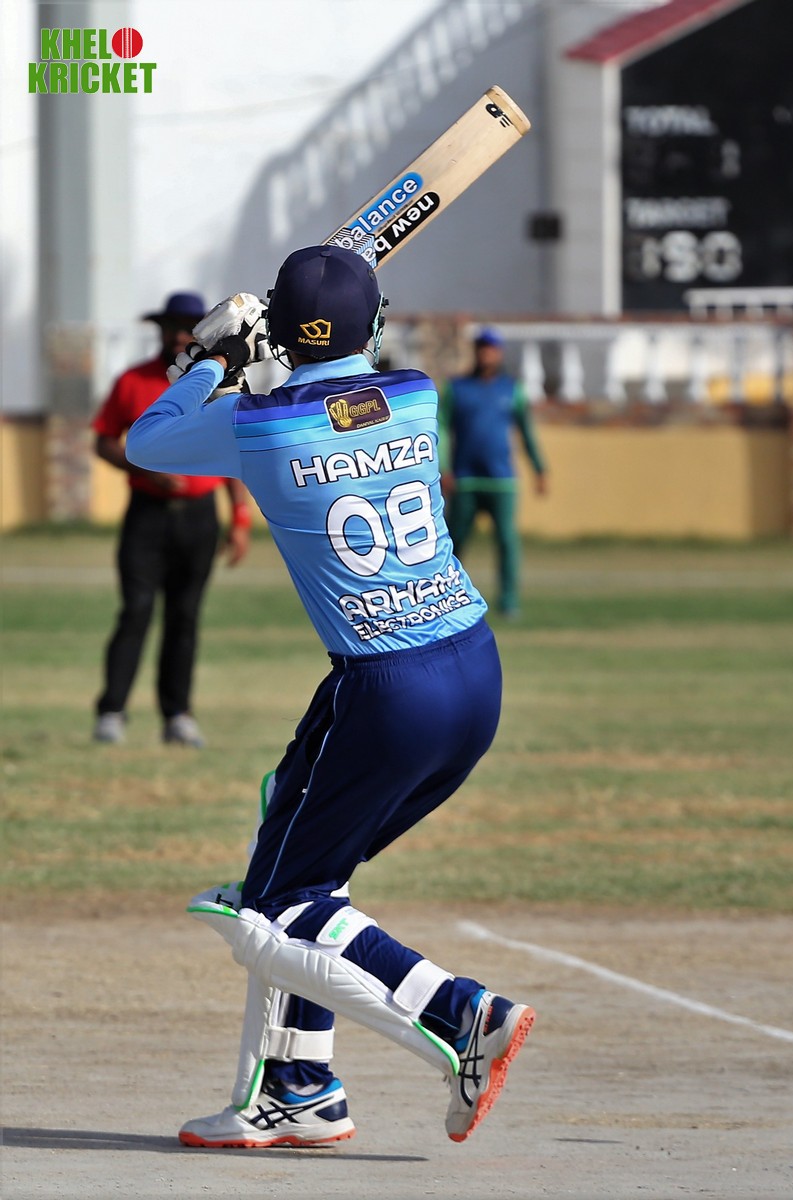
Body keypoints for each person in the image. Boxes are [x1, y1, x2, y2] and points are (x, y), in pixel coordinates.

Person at [125, 246, 534, 1149]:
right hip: (470, 667)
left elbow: (146, 442)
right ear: (375, 326)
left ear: (281, 332)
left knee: (275, 910)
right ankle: (298, 1088)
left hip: (388, 690)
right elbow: (343, 397)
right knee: (299, 843)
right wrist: (265, 358)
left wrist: (214, 361)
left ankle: (463, 1014)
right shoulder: (416, 396)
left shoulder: (258, 425)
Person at [91, 291, 252, 748]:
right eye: (173, 327)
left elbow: (231, 453)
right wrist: (145, 470)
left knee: (185, 616)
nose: (180, 336)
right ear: (161, 331)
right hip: (147, 513)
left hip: (199, 517)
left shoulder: (217, 385)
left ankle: (177, 715)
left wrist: (239, 517)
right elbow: (104, 440)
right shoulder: (134, 381)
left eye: (188, 328)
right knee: (136, 610)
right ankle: (112, 711)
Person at [438, 328, 547, 618]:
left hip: (502, 479)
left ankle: (508, 602)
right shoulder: (457, 389)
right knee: (454, 542)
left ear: (499, 353)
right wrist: (444, 468)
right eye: (482, 348)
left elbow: (526, 432)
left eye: (492, 348)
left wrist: (539, 468)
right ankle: (447, 599)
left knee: (507, 542)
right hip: (465, 479)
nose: (486, 353)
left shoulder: (512, 389)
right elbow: (442, 430)